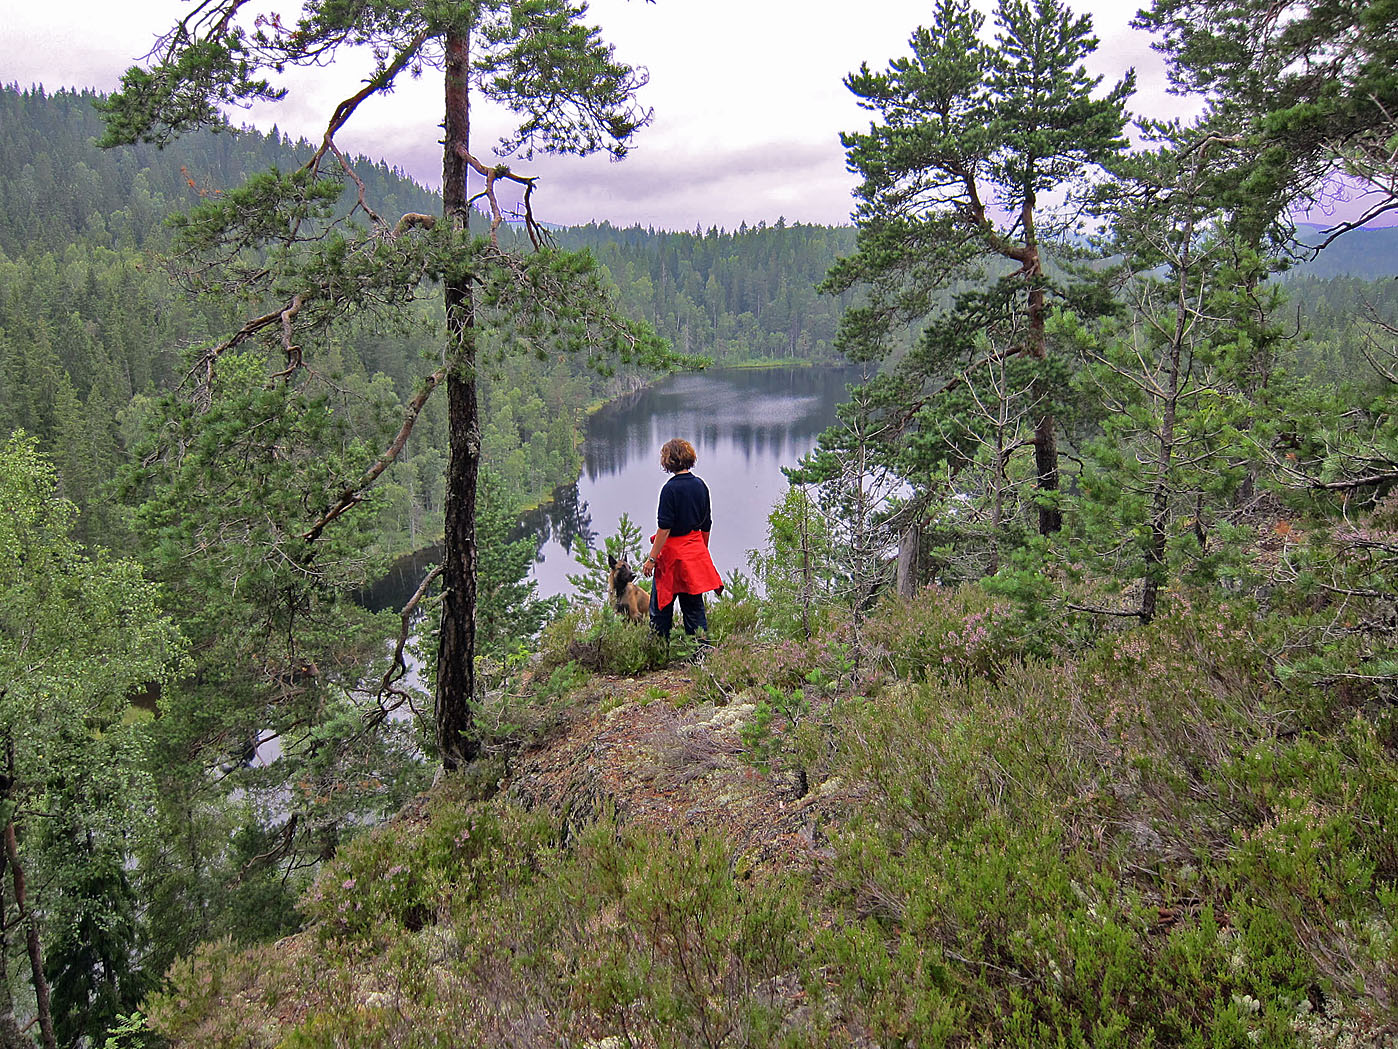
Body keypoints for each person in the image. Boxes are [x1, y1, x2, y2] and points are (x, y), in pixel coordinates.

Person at [641, 438, 722, 641]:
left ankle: (659, 652)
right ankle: (700, 655)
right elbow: (706, 524)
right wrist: (701, 552)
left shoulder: (669, 489)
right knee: (694, 610)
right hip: (692, 555)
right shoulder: (700, 486)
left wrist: (651, 559)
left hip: (671, 559)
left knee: (660, 609)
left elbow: (664, 529)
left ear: (668, 461)